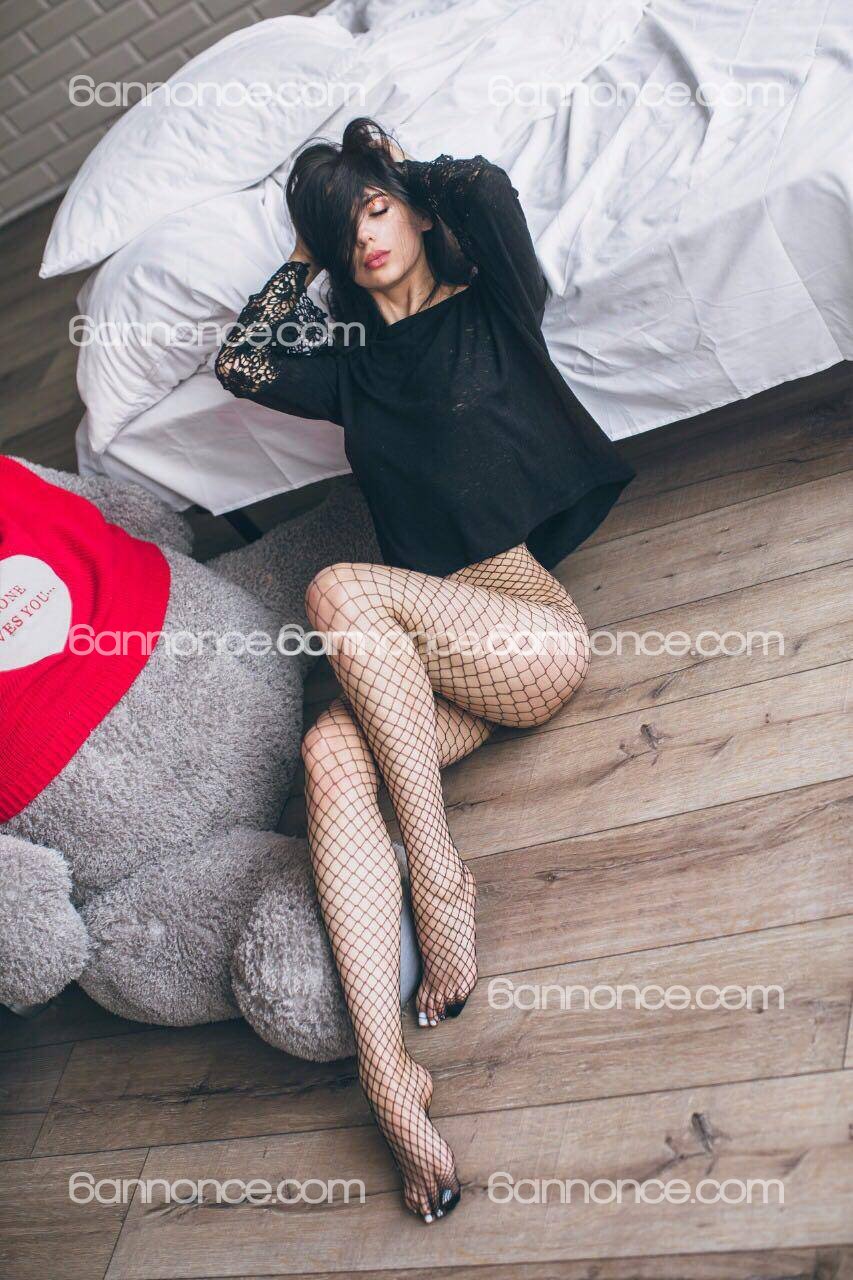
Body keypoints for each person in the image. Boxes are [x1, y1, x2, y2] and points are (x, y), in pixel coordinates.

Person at [214, 115, 636, 1224]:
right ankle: (388, 1077)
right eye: (342, 231)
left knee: (338, 588)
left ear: (407, 207)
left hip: (526, 628)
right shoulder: (351, 370)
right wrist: (303, 250)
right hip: (420, 668)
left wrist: (390, 166)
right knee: (326, 751)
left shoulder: (493, 302)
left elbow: (484, 187)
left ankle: (439, 874)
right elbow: (241, 361)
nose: (365, 238)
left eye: (374, 212)